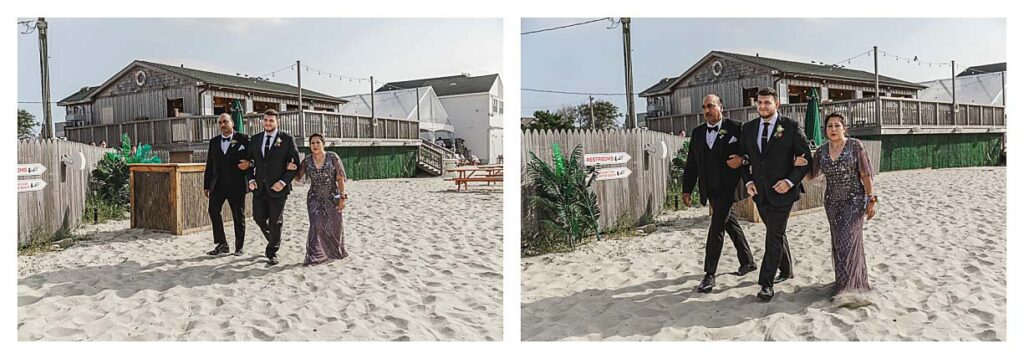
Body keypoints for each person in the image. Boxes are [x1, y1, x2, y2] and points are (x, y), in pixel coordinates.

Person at [737, 87, 812, 302]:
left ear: (776, 104)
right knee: (775, 232)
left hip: (783, 193)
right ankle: (787, 269)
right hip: (759, 193)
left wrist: (789, 182)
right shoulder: (749, 128)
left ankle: (766, 284)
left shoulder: (790, 126)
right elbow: (744, 159)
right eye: (759, 103)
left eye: (767, 102)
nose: (762, 106)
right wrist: (748, 181)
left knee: (773, 236)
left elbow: (806, 159)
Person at [795, 112, 876, 308]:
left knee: (848, 240)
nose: (833, 129)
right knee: (839, 243)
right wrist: (798, 164)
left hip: (854, 201)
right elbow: (812, 174)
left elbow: (865, 174)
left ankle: (850, 289)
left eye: (837, 125)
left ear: (844, 128)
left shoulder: (855, 146)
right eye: (829, 126)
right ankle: (845, 283)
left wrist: (871, 199)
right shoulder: (822, 151)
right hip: (832, 203)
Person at [681, 94, 757, 293]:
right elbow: (692, 164)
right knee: (729, 222)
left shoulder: (736, 127)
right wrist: (687, 189)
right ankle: (747, 261)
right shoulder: (697, 133)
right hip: (710, 188)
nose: (707, 110)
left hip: (729, 187)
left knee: (716, 228)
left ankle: (709, 274)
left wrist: (742, 159)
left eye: (711, 106)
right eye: (704, 107)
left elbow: (750, 152)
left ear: (721, 107)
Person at [241, 109, 301, 266]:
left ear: (277, 122)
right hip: (259, 188)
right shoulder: (255, 139)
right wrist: (251, 179)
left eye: (271, 121)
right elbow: (248, 162)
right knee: (258, 218)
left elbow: (295, 164)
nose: (268, 123)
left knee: (275, 221)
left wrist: (282, 182)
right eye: (266, 120)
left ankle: (272, 251)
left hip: (278, 188)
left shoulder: (287, 139)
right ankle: (274, 238)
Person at [294, 134, 349, 266]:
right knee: (316, 224)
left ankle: (334, 252)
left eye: (318, 142)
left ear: (323, 144)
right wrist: (290, 167)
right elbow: (297, 177)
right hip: (314, 197)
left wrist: (342, 196)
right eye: (312, 143)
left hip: (332, 196)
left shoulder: (332, 157)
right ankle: (315, 256)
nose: (315, 145)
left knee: (334, 226)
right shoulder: (307, 161)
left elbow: (340, 178)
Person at [203, 113, 251, 256]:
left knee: (238, 215)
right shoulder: (214, 142)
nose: (223, 125)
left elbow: (254, 157)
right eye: (220, 123)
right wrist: (206, 185)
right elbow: (209, 165)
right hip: (218, 185)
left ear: (232, 123)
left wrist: (249, 163)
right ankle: (222, 244)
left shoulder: (244, 139)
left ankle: (239, 247)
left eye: (225, 121)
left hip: (237, 185)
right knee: (213, 211)